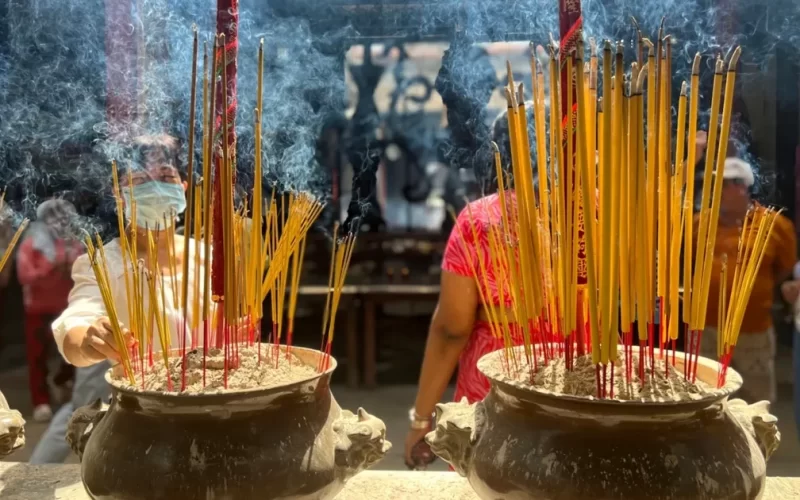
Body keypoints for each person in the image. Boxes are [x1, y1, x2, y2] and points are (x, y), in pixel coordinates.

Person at [30, 134, 205, 463]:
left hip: (210, 409)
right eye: (139, 180)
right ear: (119, 193)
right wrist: (88, 341)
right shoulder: (102, 262)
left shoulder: (207, 256)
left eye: (166, 177)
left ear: (183, 187)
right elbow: (77, 322)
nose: (155, 188)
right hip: (143, 419)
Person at [404, 88, 540, 468]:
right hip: (581, 396)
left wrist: (421, 419)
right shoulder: (598, 211)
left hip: (494, 402)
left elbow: (452, 328)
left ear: (501, 156)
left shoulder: (480, 220)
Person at [698, 157, 796, 404]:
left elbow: (785, 269)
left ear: (742, 186)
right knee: (707, 398)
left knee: (756, 402)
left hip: (753, 330)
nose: (717, 190)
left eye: (724, 184)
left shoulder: (774, 225)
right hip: (707, 329)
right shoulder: (701, 223)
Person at [16, 199, 82, 422]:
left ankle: (63, 381)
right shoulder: (31, 243)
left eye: (63, 215)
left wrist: (70, 265)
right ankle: (40, 401)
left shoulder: (74, 242)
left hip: (66, 307)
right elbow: (25, 276)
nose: (59, 220)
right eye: (53, 215)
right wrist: (49, 267)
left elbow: (84, 271)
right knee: (37, 355)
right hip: (37, 308)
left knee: (72, 352)